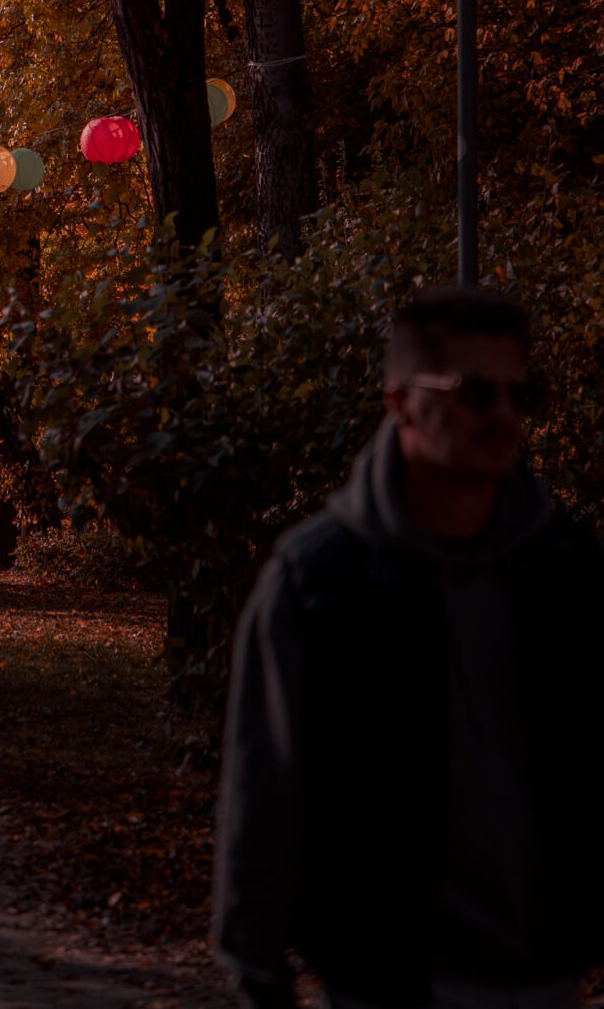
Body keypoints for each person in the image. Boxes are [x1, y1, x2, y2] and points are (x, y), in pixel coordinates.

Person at [215, 287, 604, 1009]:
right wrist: (257, 968)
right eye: (475, 392)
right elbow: (265, 786)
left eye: (521, 393)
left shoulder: (567, 569)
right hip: (385, 980)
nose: (504, 416)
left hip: (550, 976)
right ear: (400, 401)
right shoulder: (319, 580)